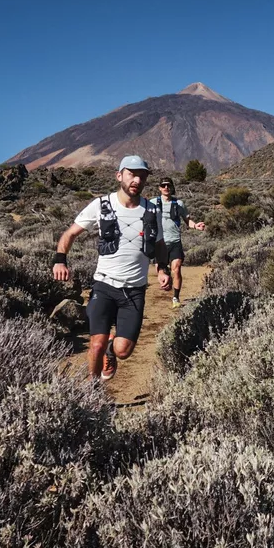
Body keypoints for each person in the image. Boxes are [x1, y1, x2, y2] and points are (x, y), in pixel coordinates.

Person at [52, 156, 171, 381]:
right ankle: (92, 392)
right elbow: (70, 233)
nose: (136, 179)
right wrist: (60, 260)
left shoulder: (152, 211)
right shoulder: (101, 205)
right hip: (104, 285)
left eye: (142, 176)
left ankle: (111, 350)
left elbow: (159, 245)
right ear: (119, 176)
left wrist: (162, 269)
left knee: (123, 350)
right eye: (131, 174)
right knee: (95, 343)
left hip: (134, 290)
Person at [151, 177, 206, 308]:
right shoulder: (152, 203)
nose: (166, 188)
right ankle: (165, 273)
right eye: (163, 185)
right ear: (159, 188)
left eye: (168, 185)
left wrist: (195, 226)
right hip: (159, 243)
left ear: (171, 187)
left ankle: (176, 297)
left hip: (175, 241)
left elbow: (187, 220)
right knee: (161, 271)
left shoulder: (179, 204)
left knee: (177, 269)